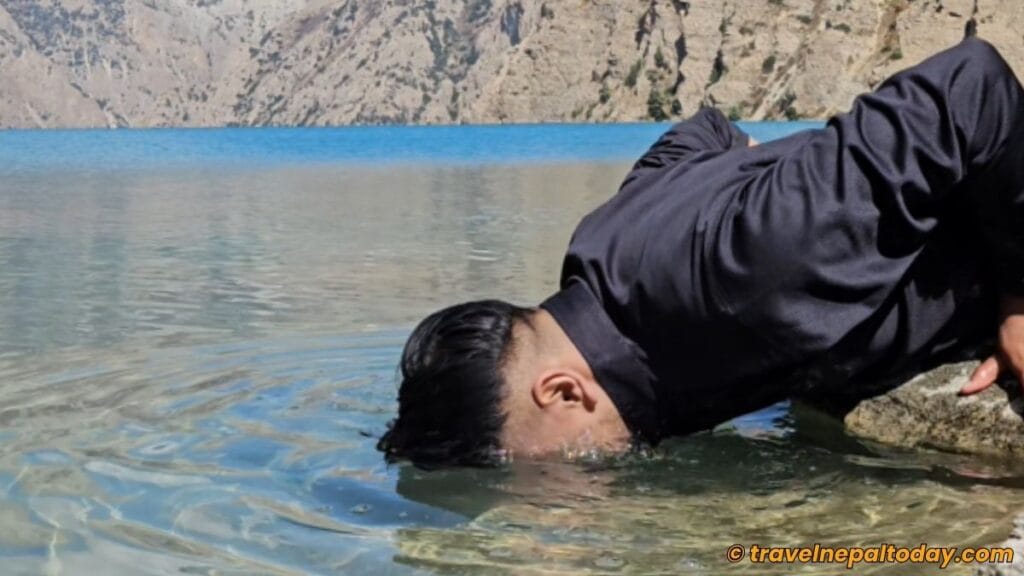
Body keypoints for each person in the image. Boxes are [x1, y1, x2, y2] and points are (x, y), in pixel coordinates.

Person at [378, 34, 1024, 467]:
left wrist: (1018, 296)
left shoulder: (754, 267)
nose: (563, 496)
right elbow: (704, 132)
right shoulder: (600, 249)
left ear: (562, 393)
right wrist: (781, 172)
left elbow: (971, 85)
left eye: (544, 476)